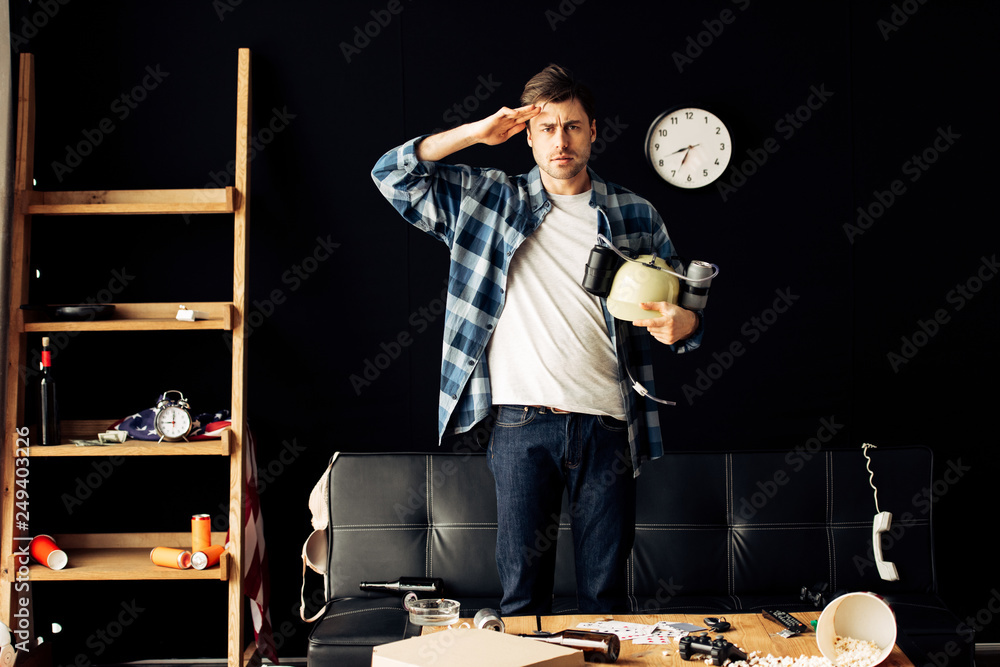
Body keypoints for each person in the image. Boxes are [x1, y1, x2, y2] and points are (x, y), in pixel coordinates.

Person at [372, 64, 703, 614]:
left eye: (572, 127)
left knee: (606, 599)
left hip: (608, 427)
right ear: (526, 135)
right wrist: (475, 133)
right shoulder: (487, 199)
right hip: (521, 425)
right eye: (546, 128)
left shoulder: (634, 213)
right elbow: (392, 174)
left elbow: (686, 308)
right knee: (523, 599)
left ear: (593, 130)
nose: (560, 141)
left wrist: (684, 326)